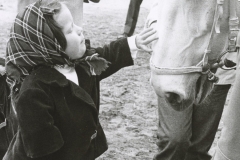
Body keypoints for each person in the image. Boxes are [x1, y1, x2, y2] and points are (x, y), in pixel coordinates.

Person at [3, 1, 158, 160]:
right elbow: (44, 152)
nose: (80, 29)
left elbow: (107, 55)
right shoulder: (34, 93)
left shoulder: (81, 63)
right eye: (70, 29)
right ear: (51, 45)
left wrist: (134, 42)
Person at [145, 2, 237, 160]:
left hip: (221, 68)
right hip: (180, 63)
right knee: (174, 139)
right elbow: (160, 7)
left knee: (199, 149)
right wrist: (157, 30)